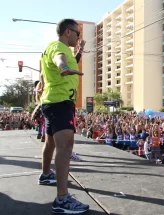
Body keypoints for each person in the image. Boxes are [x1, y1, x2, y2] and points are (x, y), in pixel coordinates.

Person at [38, 19, 89, 214]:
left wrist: (80, 52)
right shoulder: (58, 47)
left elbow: (70, 61)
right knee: (65, 146)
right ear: (68, 31)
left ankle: (45, 175)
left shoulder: (59, 47)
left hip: (53, 101)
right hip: (60, 103)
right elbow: (61, 59)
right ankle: (62, 199)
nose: (78, 37)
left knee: (51, 142)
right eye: (77, 34)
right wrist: (62, 68)